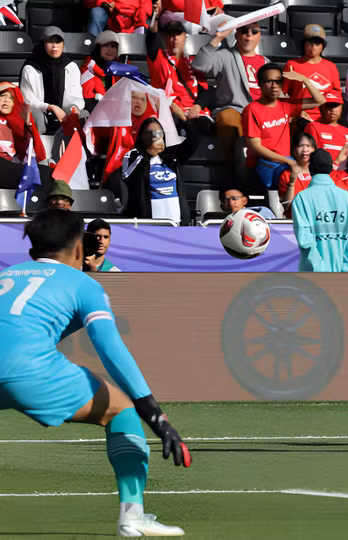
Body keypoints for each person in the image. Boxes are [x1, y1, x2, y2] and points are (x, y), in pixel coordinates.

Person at [0, 210, 190, 536]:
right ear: (78, 248)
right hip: (30, 370)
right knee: (121, 410)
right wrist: (154, 415)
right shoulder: (83, 283)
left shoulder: (8, 274)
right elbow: (110, 349)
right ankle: (132, 516)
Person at [241, 63, 325, 194]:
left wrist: (304, 79)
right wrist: (288, 161)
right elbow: (255, 147)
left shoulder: (286, 105)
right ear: (260, 84)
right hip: (263, 167)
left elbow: (320, 101)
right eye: (269, 81)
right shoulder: (252, 109)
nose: (274, 86)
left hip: (284, 165)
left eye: (278, 82)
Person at [191, 22, 268, 161]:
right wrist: (218, 38)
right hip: (234, 109)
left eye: (254, 31)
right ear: (237, 34)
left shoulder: (266, 62)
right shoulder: (225, 55)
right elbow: (200, 65)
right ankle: (232, 171)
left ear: (260, 36)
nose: (249, 35)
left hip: (261, 112)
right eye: (244, 30)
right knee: (228, 121)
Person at [292, 148, 348, 272]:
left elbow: (306, 241)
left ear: (310, 169)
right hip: (343, 280)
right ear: (331, 169)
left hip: (313, 279)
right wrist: (346, 269)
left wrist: (321, 271)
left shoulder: (302, 198)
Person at [121, 117, 198, 224]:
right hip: (148, 218)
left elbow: (193, 141)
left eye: (158, 133)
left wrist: (184, 120)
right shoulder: (133, 156)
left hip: (175, 216)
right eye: (151, 134)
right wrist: (150, 150)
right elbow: (129, 175)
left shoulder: (171, 157)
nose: (155, 137)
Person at [147, 9, 211, 128]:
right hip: (170, 113)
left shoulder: (194, 61)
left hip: (195, 113)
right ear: (164, 38)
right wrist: (155, 15)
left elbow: (204, 91)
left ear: (185, 37)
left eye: (178, 33)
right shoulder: (158, 58)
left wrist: (197, 107)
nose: (174, 38)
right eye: (170, 34)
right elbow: (151, 40)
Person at [20, 26, 85, 135]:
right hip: (40, 112)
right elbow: (28, 100)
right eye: (50, 42)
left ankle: (78, 151)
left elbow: (75, 95)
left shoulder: (70, 66)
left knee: (82, 115)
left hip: (65, 112)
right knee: (34, 118)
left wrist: (72, 108)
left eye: (58, 42)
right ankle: (36, 150)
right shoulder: (30, 68)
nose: (55, 46)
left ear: (63, 44)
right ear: (43, 44)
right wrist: (49, 107)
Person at [282, 24, 341, 126]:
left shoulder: (331, 67)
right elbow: (284, 93)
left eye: (317, 43)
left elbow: (336, 95)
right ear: (303, 44)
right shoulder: (292, 65)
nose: (313, 47)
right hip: (300, 118)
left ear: (323, 46)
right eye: (310, 43)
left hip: (324, 118)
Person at [0, 82, 47, 164]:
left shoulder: (23, 124)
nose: (6, 100)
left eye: (11, 98)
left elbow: (30, 154)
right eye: (2, 96)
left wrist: (27, 126)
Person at [304, 91, 348, 162]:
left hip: (343, 171)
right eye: (328, 105)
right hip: (322, 169)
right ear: (321, 108)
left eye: (336, 105)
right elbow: (310, 153)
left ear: (342, 108)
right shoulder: (313, 126)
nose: (332, 109)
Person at [80, 30, 120, 112]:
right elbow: (87, 102)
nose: (109, 50)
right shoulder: (88, 69)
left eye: (113, 46)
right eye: (105, 45)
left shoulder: (122, 69)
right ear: (98, 47)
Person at [279, 132, 315, 214]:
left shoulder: (319, 174)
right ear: (293, 150)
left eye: (308, 146)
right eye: (300, 146)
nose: (305, 150)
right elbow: (286, 206)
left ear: (314, 149)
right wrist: (292, 182)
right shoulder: (286, 175)